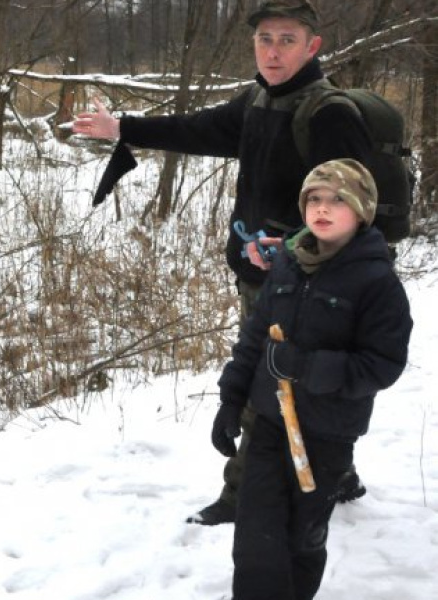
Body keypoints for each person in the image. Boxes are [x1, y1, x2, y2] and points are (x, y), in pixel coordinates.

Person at [71, 0, 375, 525]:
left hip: (313, 283)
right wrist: (120, 127)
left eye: (286, 39)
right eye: (264, 39)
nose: (273, 50)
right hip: (260, 276)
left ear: (312, 46)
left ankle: (243, 498)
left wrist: (296, 247)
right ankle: (338, 472)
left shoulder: (329, 115)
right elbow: (196, 129)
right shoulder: (258, 100)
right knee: (288, 382)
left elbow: (353, 207)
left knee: (268, 384)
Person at [214, 158, 411, 600]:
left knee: (301, 538)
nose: (322, 208)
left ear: (361, 210)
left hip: (325, 434)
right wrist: (231, 400)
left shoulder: (376, 281)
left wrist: (306, 365)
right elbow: (254, 339)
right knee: (255, 538)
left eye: (337, 199)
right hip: (267, 425)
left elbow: (383, 364)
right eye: (314, 199)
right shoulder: (288, 263)